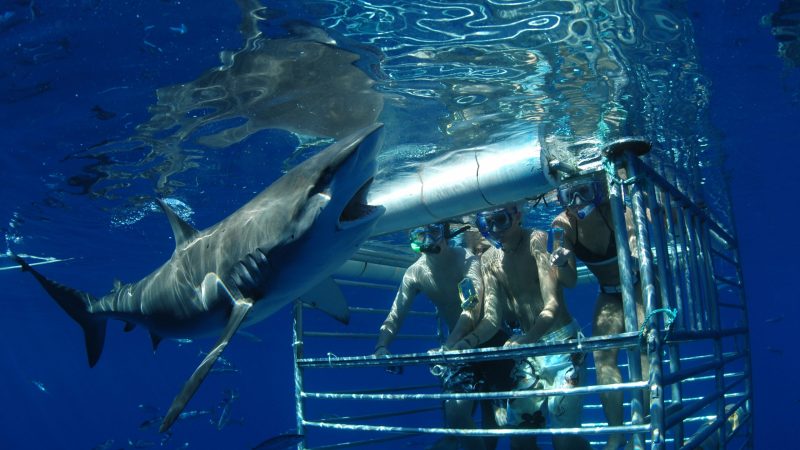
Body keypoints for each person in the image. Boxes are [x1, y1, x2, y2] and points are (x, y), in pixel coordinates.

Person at [452, 204, 592, 450]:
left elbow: (552, 305)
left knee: (563, 439)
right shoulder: (488, 259)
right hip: (529, 351)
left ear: (517, 216)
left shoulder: (536, 239)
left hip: (563, 346)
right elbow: (492, 320)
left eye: (501, 220)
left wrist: (527, 339)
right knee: (519, 436)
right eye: (487, 224)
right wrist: (466, 343)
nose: (495, 229)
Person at [374, 222, 510, 450]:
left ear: (446, 233)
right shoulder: (415, 273)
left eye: (434, 232)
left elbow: (471, 307)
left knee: (495, 417)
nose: (428, 240)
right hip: (455, 350)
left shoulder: (465, 259)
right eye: (420, 235)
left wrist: (448, 346)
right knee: (456, 416)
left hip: (489, 339)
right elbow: (396, 313)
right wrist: (381, 345)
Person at [549, 174, 649, 450]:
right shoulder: (562, 225)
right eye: (568, 195)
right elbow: (569, 281)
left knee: (642, 349)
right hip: (608, 292)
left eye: (583, 191)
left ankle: (641, 427)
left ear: (598, 189)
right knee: (602, 357)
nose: (576, 201)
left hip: (639, 286)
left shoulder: (616, 208)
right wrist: (563, 262)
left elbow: (635, 247)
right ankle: (616, 434)